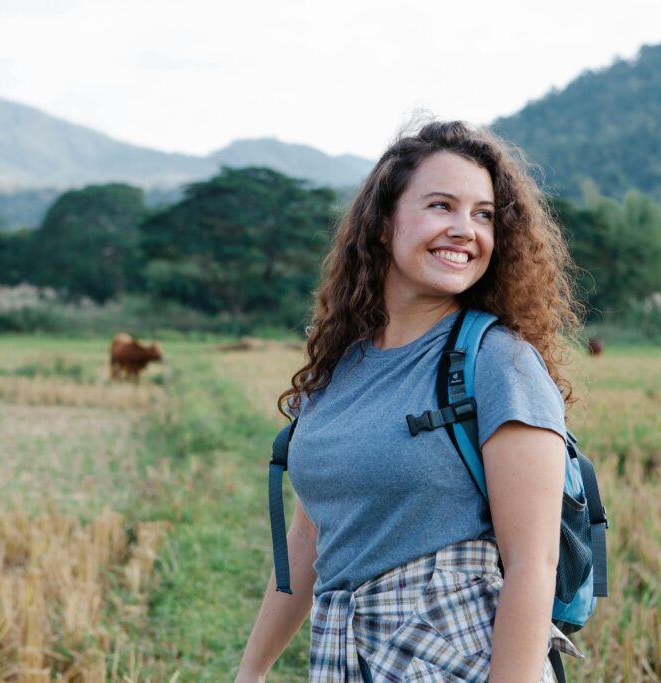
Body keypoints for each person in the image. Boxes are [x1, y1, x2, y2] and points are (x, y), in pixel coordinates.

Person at [236, 120, 582, 682]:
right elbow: (310, 537)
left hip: (460, 665)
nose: (465, 229)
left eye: (483, 214)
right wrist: (249, 673)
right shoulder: (336, 366)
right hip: (344, 663)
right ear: (381, 225)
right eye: (441, 206)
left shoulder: (499, 363)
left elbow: (532, 565)